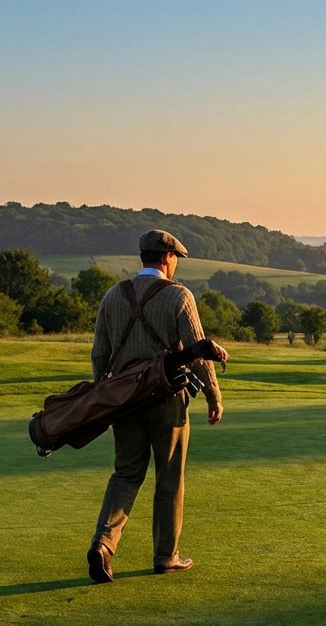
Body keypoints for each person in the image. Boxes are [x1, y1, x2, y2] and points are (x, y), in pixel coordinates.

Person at [85, 229, 228, 583]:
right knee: (169, 478)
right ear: (167, 257)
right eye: (176, 258)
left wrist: (104, 396)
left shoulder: (112, 296)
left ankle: (104, 544)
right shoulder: (179, 295)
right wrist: (214, 395)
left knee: (126, 473)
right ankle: (166, 556)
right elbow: (198, 351)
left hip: (124, 399)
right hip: (168, 397)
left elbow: (99, 354)